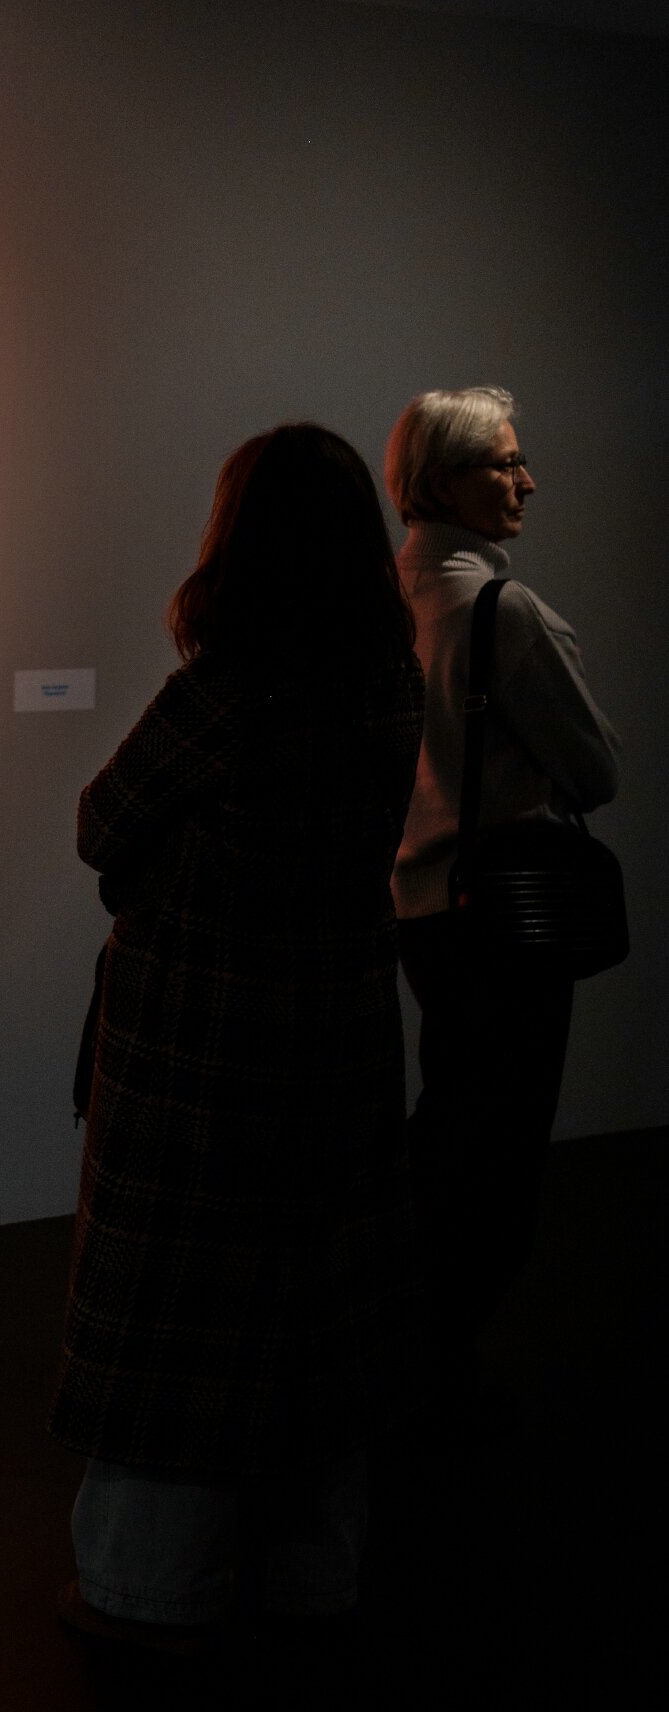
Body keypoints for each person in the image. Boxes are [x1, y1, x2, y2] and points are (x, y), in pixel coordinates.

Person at [49, 424, 426, 1649]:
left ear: (240, 541)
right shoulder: (389, 686)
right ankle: (310, 1570)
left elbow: (102, 824)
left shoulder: (221, 696)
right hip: (337, 1026)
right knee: (316, 1304)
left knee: (182, 1313)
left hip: (202, 1048)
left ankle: (151, 1584)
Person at [383, 387, 619, 1348]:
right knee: (502, 1145)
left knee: (448, 1117)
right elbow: (595, 772)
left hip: (417, 910)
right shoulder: (500, 612)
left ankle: (406, 1332)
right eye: (506, 463)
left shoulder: (384, 603)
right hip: (507, 913)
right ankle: (446, 1349)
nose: (528, 481)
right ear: (445, 482)